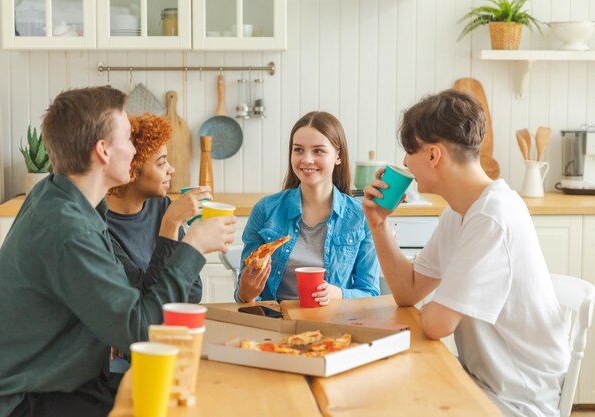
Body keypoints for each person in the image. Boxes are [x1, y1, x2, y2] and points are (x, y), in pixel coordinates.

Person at [0, 86, 236, 417]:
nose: (134, 149)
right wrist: (193, 246)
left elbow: (130, 303)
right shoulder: (70, 231)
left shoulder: (59, 197)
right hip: (33, 399)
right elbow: (142, 332)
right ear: (103, 151)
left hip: (66, 381)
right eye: (127, 139)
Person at [362, 89, 569, 417]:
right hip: (478, 378)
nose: (403, 162)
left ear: (433, 155)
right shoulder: (459, 213)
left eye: (409, 150)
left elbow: (436, 325)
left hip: (515, 397)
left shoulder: (492, 215)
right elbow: (408, 290)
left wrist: (439, 306)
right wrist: (378, 224)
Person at [236, 111, 380, 304]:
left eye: (318, 151)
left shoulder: (361, 216)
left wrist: (338, 294)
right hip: (274, 324)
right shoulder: (265, 210)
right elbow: (243, 296)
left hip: (335, 327)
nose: (306, 159)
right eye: (298, 150)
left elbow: (370, 293)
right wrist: (246, 293)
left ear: (338, 156)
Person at [106, 113, 208, 304]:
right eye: (161, 163)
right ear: (131, 170)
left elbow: (193, 293)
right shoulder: (100, 228)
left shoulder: (162, 206)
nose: (172, 169)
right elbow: (146, 302)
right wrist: (170, 225)